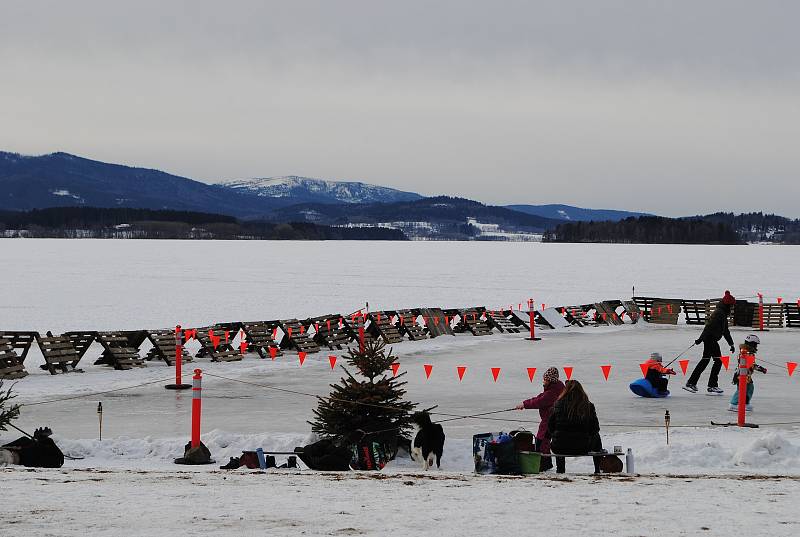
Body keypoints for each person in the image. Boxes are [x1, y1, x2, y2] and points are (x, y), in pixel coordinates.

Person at [685, 290, 736, 395]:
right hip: (710, 339)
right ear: (728, 305)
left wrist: (731, 343)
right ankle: (711, 385)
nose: (732, 308)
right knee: (717, 361)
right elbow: (708, 327)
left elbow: (725, 330)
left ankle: (692, 382)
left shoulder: (722, 313)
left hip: (710, 339)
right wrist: (700, 339)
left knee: (706, 360)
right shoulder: (719, 313)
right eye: (731, 305)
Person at [546, 380, 603, 473]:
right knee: (597, 436)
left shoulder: (558, 405)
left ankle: (560, 469)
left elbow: (550, 426)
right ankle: (597, 469)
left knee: (560, 438)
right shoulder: (588, 406)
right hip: (582, 447)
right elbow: (595, 428)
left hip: (559, 447)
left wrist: (554, 435)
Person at [514, 366, 565, 471]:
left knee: (541, 443)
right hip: (555, 421)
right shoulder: (557, 388)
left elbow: (538, 401)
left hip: (549, 422)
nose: (543, 381)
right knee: (543, 442)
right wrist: (524, 403)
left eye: (545, 379)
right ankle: (546, 464)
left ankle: (544, 465)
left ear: (550, 381)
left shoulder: (551, 393)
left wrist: (524, 405)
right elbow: (539, 397)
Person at [728, 334, 767, 412]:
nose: (756, 346)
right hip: (741, 375)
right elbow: (751, 364)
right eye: (755, 344)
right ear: (751, 344)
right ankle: (733, 404)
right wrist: (761, 368)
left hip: (747, 375)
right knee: (741, 390)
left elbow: (751, 365)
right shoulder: (745, 353)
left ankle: (745, 402)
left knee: (750, 388)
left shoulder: (749, 352)